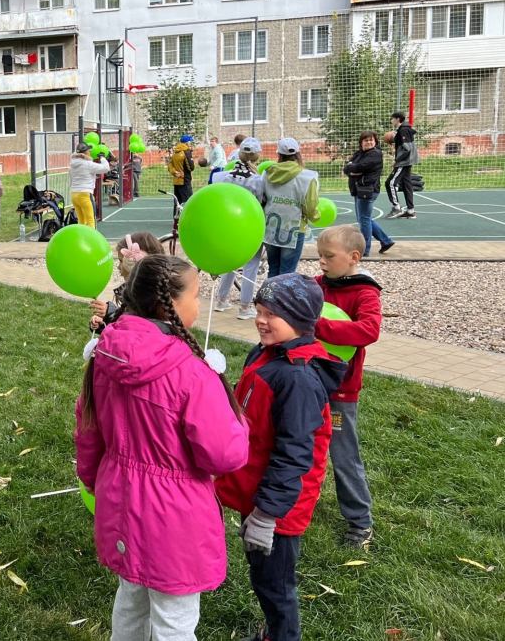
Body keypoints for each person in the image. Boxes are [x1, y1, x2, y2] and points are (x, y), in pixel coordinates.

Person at [76, 255, 249, 641]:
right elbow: (225, 454)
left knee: (131, 599)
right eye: (196, 295)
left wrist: (92, 480)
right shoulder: (192, 372)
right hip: (175, 518)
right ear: (167, 303)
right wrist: (238, 419)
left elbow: (88, 431)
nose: (199, 305)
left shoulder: (104, 357)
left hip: (120, 502)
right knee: (174, 620)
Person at [215, 273, 345, 641]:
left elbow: (294, 455)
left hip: (279, 508)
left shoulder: (297, 379)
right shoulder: (269, 353)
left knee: (275, 586)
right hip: (259, 491)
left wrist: (267, 515)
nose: (260, 320)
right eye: (259, 310)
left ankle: (283, 634)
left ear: (301, 320)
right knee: (263, 576)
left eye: (272, 314)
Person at [314, 225, 382, 549]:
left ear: (354, 257)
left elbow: (368, 330)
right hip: (310, 379)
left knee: (343, 454)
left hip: (341, 389)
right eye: (320, 255)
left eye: (329, 256)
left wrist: (319, 327)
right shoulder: (319, 285)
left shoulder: (365, 292)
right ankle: (300, 500)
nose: (322, 262)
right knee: (300, 443)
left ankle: (360, 522)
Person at [212, 138, 265, 319]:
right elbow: (261, 202)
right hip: (250, 225)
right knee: (251, 265)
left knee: (231, 261)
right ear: (257, 156)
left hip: (230, 225)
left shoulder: (225, 176)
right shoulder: (257, 180)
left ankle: (221, 299)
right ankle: (244, 306)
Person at [261, 138, 319, 278]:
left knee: (273, 268)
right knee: (287, 272)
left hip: (271, 225)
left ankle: (271, 292)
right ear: (298, 154)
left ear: (279, 155)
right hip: (294, 228)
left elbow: (262, 198)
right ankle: (283, 293)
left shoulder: (268, 173)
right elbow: (310, 206)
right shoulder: (308, 177)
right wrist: (315, 216)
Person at [88, 231, 165, 331]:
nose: (119, 267)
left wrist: (110, 313)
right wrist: (106, 320)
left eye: (121, 261)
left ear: (133, 264)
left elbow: (130, 330)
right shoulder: (149, 295)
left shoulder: (145, 302)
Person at [344, 131, 395, 257]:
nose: (369, 142)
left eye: (371, 140)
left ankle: (365, 249)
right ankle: (386, 241)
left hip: (367, 190)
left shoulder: (375, 154)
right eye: (366, 140)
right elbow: (348, 168)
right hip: (358, 189)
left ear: (375, 141)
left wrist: (353, 169)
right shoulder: (359, 153)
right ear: (361, 142)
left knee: (364, 220)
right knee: (364, 218)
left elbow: (359, 167)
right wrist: (352, 169)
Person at [384, 111, 419, 219]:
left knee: (390, 183)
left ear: (398, 119)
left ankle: (397, 208)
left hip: (404, 161)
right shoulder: (404, 129)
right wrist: (395, 139)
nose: (391, 121)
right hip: (408, 161)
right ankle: (410, 211)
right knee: (406, 184)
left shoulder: (403, 130)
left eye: (392, 118)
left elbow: (407, 149)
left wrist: (397, 160)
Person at [69, 141, 109, 228]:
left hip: (74, 194)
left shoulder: (72, 164)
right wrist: (102, 158)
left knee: (81, 220)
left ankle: (81, 236)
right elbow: (106, 168)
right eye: (88, 150)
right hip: (85, 194)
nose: (90, 151)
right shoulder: (88, 164)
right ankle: (92, 236)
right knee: (91, 220)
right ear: (85, 152)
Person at [166, 135, 195, 204]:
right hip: (184, 179)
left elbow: (170, 165)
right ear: (187, 142)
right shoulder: (186, 152)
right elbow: (191, 167)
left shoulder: (175, 152)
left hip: (176, 180)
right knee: (188, 201)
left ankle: (176, 211)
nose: (191, 143)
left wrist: (175, 172)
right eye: (190, 141)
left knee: (177, 202)